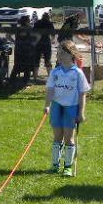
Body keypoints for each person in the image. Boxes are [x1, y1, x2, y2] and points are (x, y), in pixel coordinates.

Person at [43, 41, 90, 176]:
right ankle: (55, 165)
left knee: (69, 138)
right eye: (59, 53)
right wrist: (47, 105)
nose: (60, 56)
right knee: (57, 136)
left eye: (64, 53)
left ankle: (68, 166)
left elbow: (82, 94)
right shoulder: (55, 72)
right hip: (57, 106)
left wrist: (81, 113)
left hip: (71, 107)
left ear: (72, 54)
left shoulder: (77, 73)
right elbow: (50, 90)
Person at [33, 10, 55, 76]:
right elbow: (53, 35)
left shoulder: (37, 23)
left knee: (36, 60)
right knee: (47, 60)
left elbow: (33, 33)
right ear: (48, 17)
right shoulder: (50, 23)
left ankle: (35, 75)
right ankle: (50, 75)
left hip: (38, 43)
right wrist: (51, 41)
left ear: (42, 17)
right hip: (46, 42)